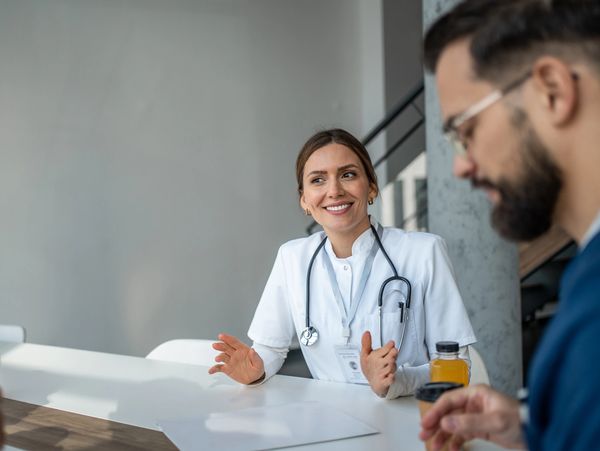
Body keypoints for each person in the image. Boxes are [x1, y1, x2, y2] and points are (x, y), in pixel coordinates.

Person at [420, 1, 600, 450]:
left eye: (466, 129)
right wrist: (536, 426)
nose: (459, 166)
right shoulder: (586, 272)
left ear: (552, 90)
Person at [208, 128, 476, 399]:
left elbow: (457, 367)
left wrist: (396, 380)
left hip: (411, 423)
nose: (334, 191)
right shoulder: (292, 258)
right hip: (328, 425)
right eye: (318, 180)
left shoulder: (423, 252)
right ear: (304, 200)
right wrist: (257, 371)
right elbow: (271, 349)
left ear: (371, 186)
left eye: (348, 175)